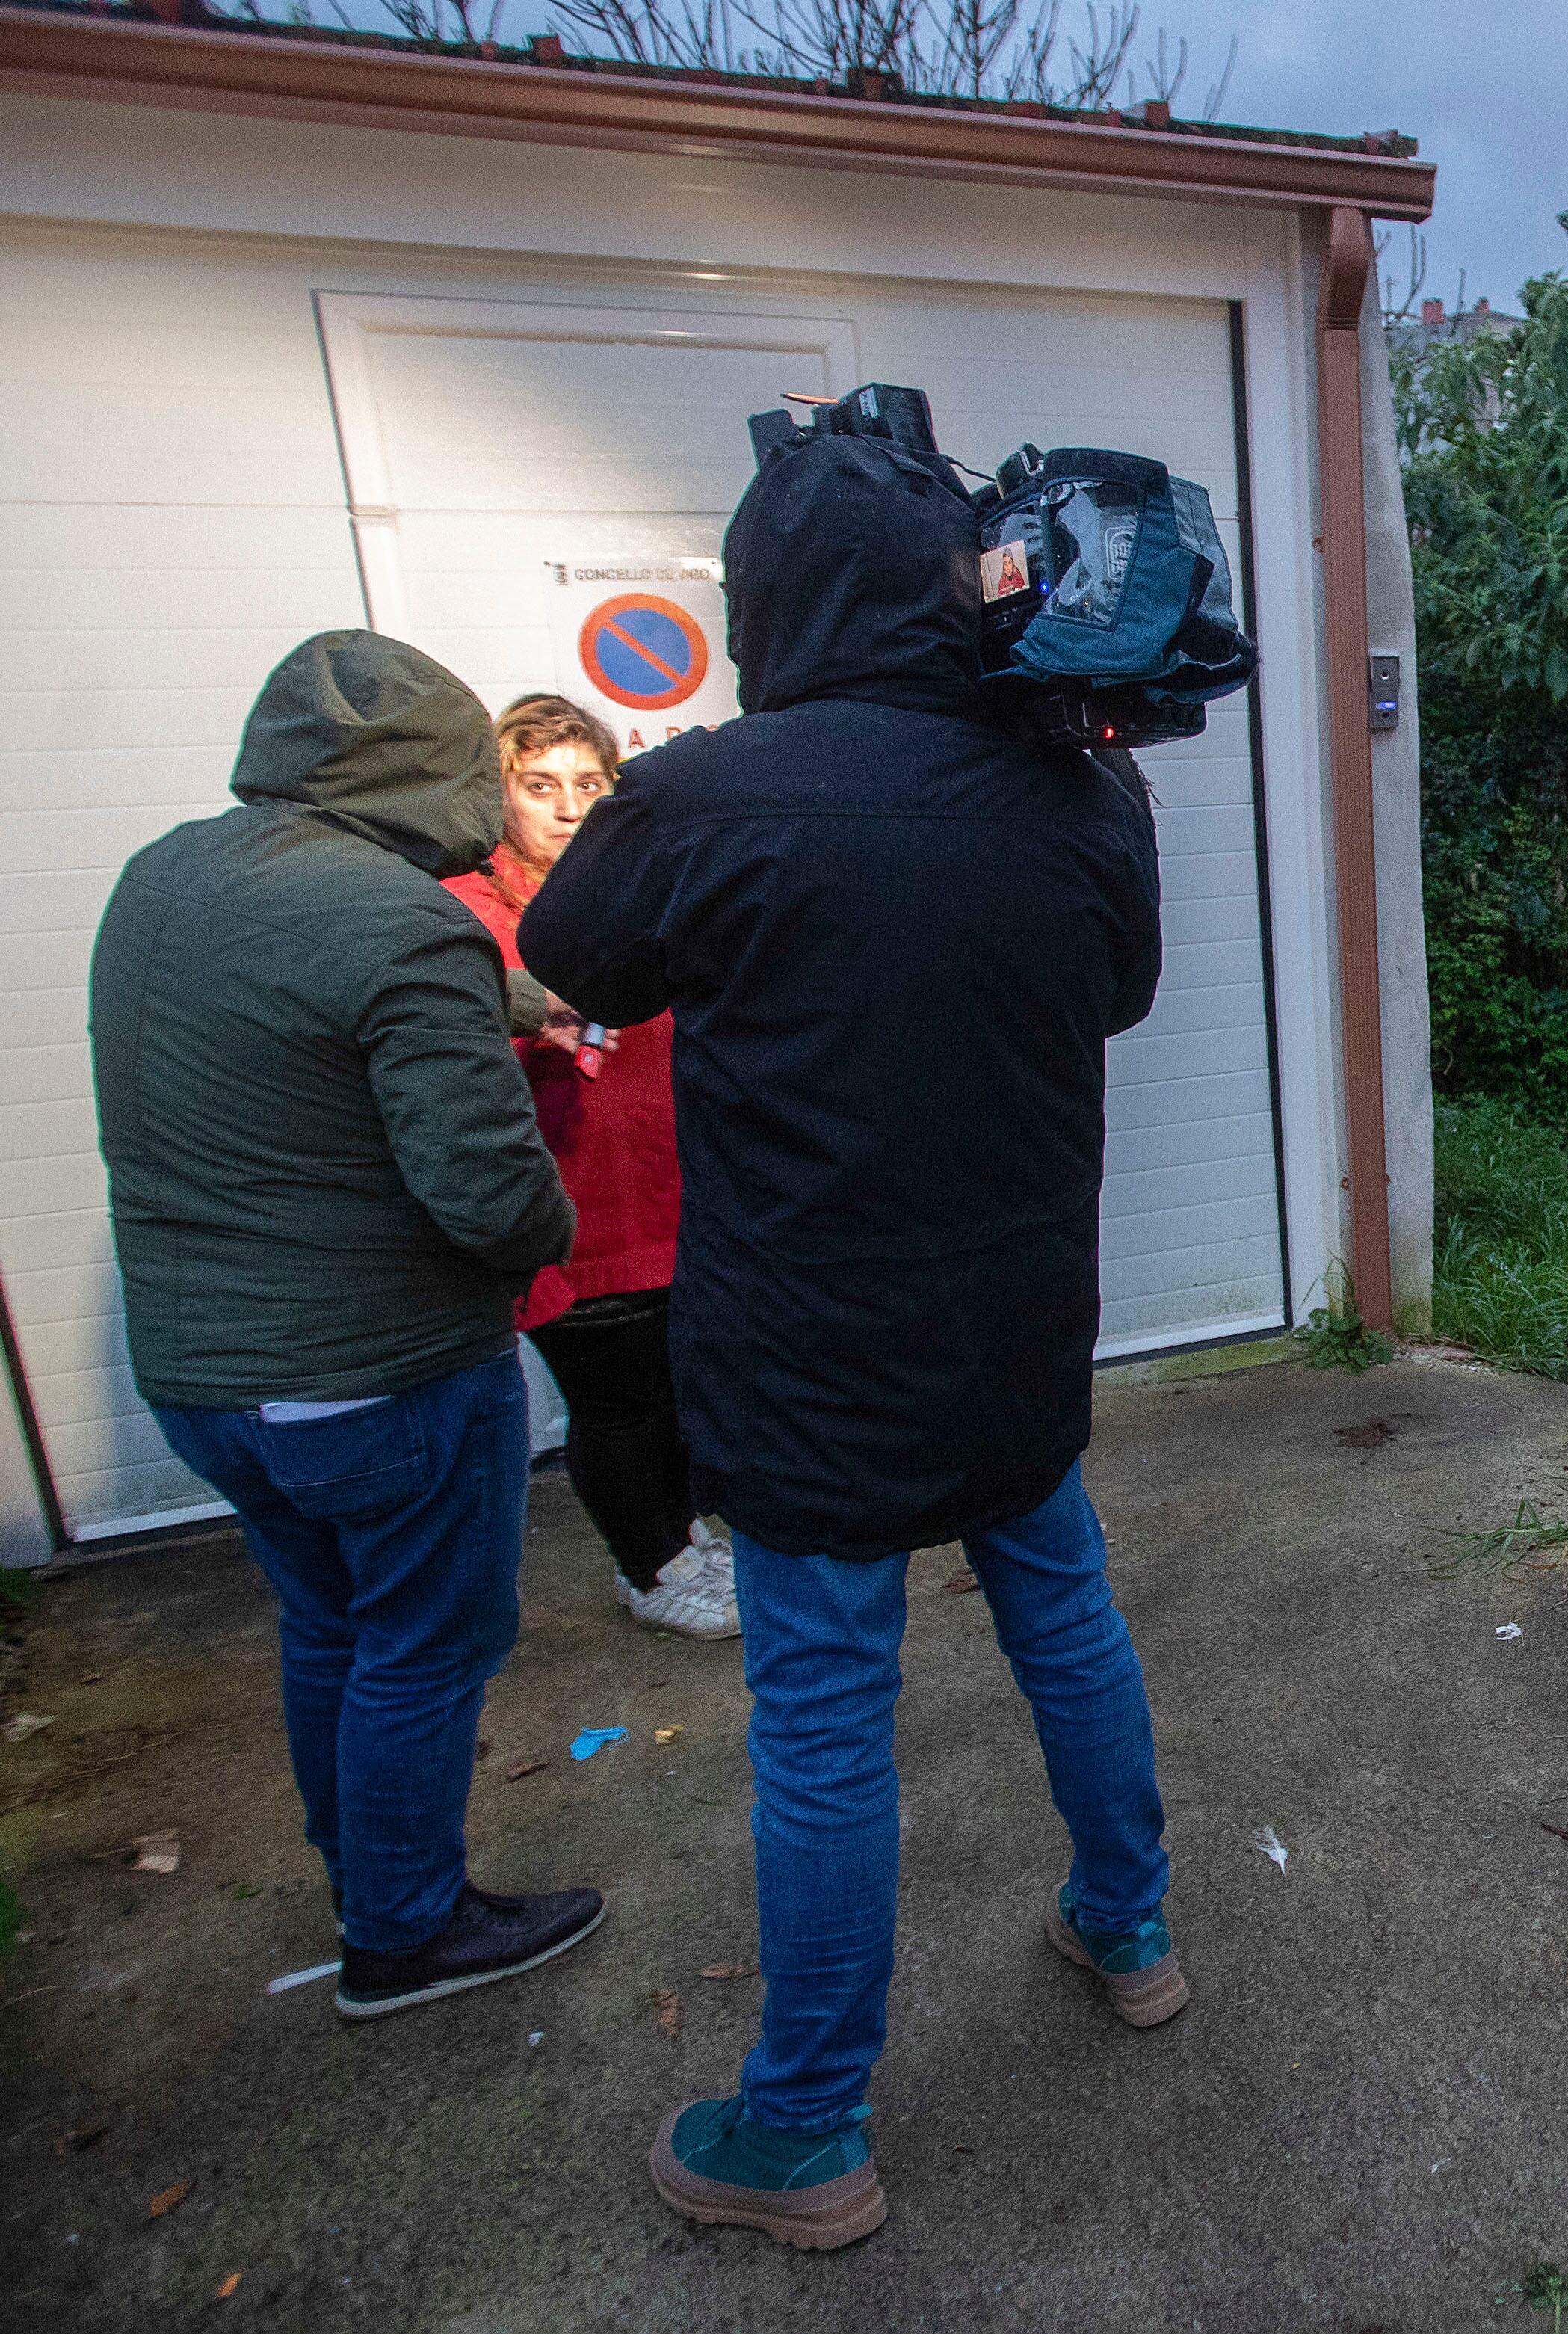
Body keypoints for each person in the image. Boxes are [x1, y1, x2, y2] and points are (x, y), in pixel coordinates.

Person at [521, 431, 1176, 2251]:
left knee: (822, 1724)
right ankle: (1130, 1927)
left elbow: (577, 958)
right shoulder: (1078, 791)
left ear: (770, 601)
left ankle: (804, 2128)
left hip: (810, 1363)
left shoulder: (711, 795)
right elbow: (1119, 990)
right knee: (1067, 1615)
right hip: (1017, 1330)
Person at [87, 631, 604, 2020]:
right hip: (377, 1381)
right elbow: (492, 1201)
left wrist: (518, 996)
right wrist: (572, 1230)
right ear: (442, 779)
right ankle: (405, 1929)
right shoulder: (408, 924)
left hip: (206, 1382)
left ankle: (364, 1880)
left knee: (331, 1630)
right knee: (425, 1649)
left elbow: (302, 987)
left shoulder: (167, 874)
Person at [443, 695, 738, 1641]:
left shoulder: (637, 888)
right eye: (540, 785)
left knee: (685, 1387)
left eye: (588, 784)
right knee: (618, 1403)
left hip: (674, 1191)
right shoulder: (466, 914)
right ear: (501, 794)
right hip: (573, 1204)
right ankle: (646, 1569)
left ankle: (683, 1538)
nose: (567, 808)